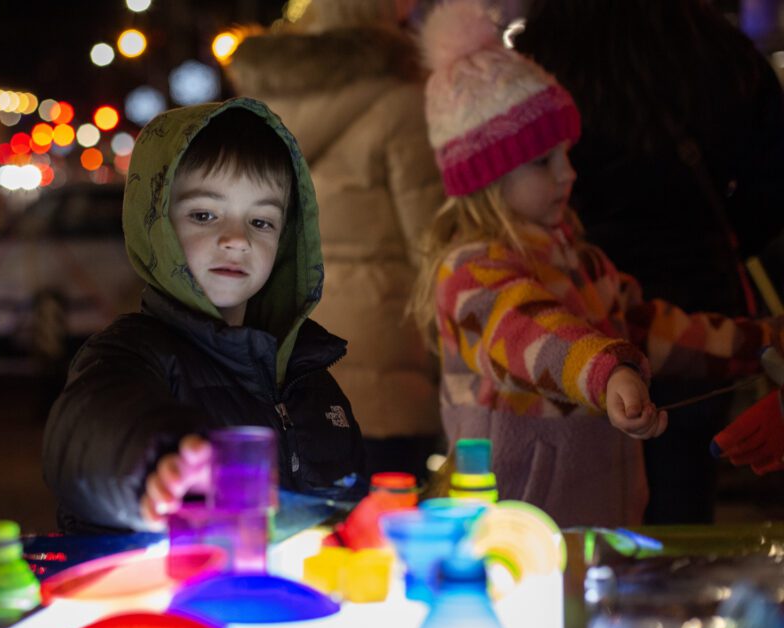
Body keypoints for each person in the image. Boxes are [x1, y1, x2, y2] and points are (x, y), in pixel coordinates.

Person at [409, 0, 784, 528]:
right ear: (485, 178)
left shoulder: (578, 256)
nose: (568, 173)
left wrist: (759, 343)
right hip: (514, 527)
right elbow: (529, 333)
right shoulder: (471, 270)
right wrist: (606, 371)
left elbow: (650, 328)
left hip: (603, 516)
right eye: (544, 161)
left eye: (567, 153)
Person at [42, 98, 365, 533]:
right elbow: (84, 432)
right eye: (205, 214)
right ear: (156, 223)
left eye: (262, 221)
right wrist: (160, 461)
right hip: (167, 595)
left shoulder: (312, 378)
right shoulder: (130, 353)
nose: (236, 240)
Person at [225, 0, 444, 479]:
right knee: (387, 534)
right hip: (388, 369)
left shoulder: (264, 105)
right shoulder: (403, 104)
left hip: (287, 363)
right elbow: (435, 248)